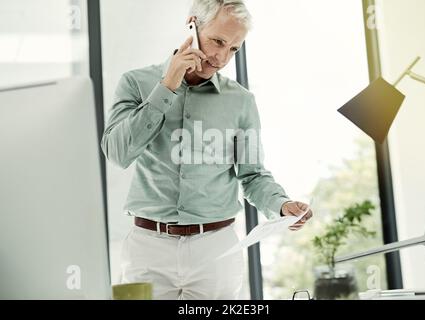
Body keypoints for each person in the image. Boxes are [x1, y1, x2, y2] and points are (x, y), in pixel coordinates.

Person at [101, 0, 313, 300]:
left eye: (234, 49)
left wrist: (281, 205)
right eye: (218, 41)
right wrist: (167, 86)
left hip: (216, 251)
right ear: (192, 25)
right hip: (146, 249)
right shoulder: (136, 83)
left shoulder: (241, 101)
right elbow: (117, 153)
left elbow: (253, 175)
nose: (221, 57)